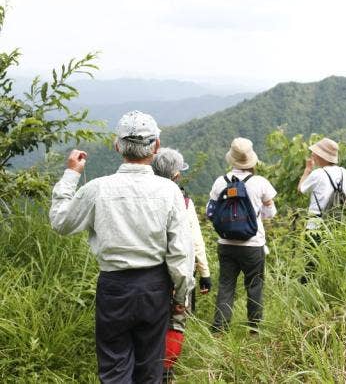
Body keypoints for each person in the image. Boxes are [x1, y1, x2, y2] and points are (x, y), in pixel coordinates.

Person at [49, 111, 194, 383]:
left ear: (117, 146)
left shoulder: (97, 189)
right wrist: (180, 298)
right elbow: (181, 253)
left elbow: (60, 223)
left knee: (115, 368)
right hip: (155, 286)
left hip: (114, 287)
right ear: (156, 146)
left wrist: (70, 175)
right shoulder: (169, 191)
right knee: (150, 369)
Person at [150, 147, 211, 383]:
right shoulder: (184, 201)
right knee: (175, 322)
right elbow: (195, 241)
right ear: (176, 175)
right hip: (177, 274)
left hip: (145, 274)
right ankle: (165, 375)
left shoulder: (145, 196)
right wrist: (204, 273)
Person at [209, 137, 277, 333]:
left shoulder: (219, 182)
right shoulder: (260, 182)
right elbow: (271, 213)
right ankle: (255, 329)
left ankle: (219, 329)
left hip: (225, 243)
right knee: (254, 286)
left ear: (232, 159)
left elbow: (210, 212)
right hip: (253, 244)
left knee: (226, 286)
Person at [297, 137, 346, 283]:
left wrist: (307, 170)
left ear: (321, 156)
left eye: (315, 154)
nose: (313, 156)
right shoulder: (344, 173)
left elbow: (301, 189)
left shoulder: (317, 174)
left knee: (310, 266)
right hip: (337, 225)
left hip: (315, 226)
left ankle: (306, 295)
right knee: (333, 262)